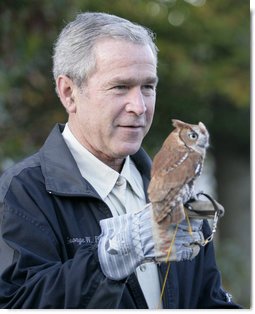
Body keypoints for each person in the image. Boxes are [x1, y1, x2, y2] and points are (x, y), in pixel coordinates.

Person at [0, 12, 242, 309]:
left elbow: (209, 301)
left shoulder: (177, 190)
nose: (139, 106)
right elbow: (16, 303)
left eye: (148, 87)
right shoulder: (20, 194)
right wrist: (109, 258)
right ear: (68, 93)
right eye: (120, 87)